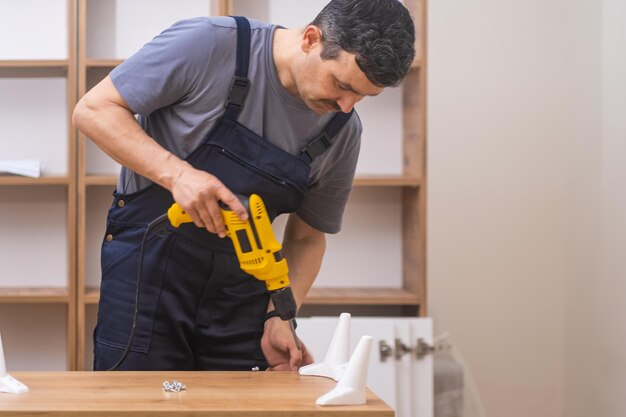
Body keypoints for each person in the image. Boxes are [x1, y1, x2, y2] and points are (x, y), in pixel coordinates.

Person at [73, 0, 415, 372]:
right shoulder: (210, 45)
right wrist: (178, 174)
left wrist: (280, 315)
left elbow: (307, 239)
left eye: (364, 97)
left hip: (240, 302)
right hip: (146, 280)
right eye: (341, 85)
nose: (346, 106)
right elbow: (93, 110)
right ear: (311, 39)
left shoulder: (343, 132)